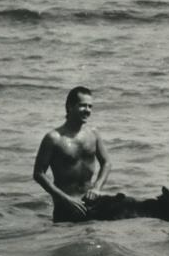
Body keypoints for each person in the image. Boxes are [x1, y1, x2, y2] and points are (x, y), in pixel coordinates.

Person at [33, 86, 112, 223]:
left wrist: (97, 188)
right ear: (69, 106)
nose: (87, 110)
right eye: (83, 105)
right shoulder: (53, 138)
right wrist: (66, 199)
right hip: (65, 207)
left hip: (91, 204)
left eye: (90, 106)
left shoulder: (93, 134)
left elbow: (106, 163)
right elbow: (39, 174)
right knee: (65, 243)